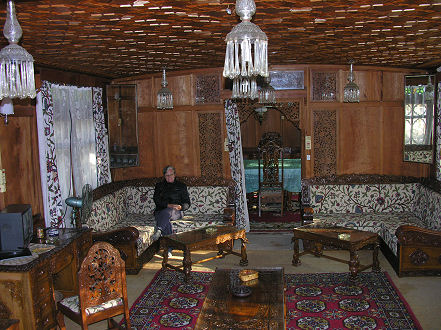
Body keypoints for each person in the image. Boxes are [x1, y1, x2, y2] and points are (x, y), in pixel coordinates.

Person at [151, 165, 190, 248]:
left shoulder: (181, 186)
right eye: (167, 175)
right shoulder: (159, 186)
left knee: (169, 211)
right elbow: (156, 200)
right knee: (166, 219)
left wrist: (180, 207)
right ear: (164, 176)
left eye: (171, 174)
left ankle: (159, 230)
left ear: (175, 175)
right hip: (161, 211)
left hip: (176, 212)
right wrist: (168, 205)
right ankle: (169, 248)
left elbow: (187, 203)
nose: (169, 177)